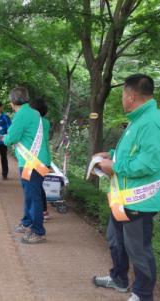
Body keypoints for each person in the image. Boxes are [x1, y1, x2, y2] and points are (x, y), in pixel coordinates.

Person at [92, 74, 160, 301]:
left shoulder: (152, 122)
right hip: (122, 199)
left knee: (138, 249)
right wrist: (110, 155)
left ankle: (143, 294)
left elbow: (148, 163)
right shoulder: (138, 119)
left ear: (131, 96)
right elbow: (132, 153)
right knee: (115, 240)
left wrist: (115, 166)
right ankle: (119, 279)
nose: (122, 98)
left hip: (139, 201)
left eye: (122, 93)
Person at [3, 87, 51, 244]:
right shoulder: (33, 113)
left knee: (33, 196)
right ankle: (27, 222)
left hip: (31, 163)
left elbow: (12, 137)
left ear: (12, 102)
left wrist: (5, 138)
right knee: (31, 194)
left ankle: (38, 231)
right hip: (35, 161)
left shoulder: (22, 114)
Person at [30, 98, 51, 220]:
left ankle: (39, 214)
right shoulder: (46, 122)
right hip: (45, 159)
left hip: (35, 159)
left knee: (35, 187)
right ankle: (44, 210)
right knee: (39, 185)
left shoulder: (34, 122)